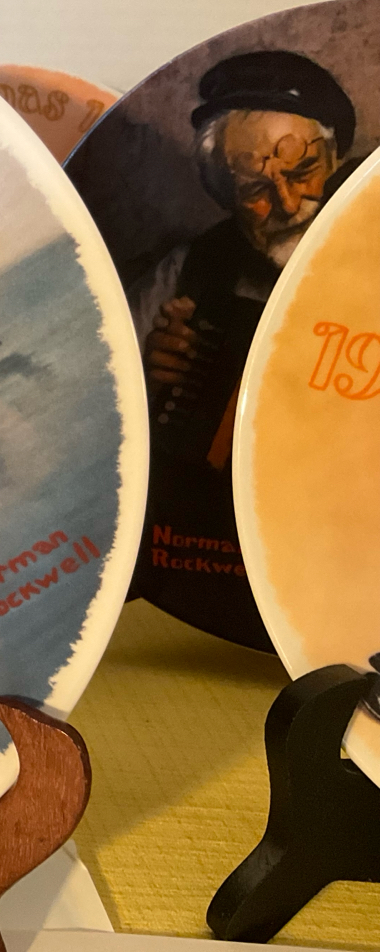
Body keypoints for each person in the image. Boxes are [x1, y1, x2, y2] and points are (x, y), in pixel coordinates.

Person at [123, 51, 366, 648]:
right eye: (256, 187)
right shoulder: (186, 270)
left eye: (303, 170)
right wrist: (148, 379)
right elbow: (92, 415)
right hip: (209, 572)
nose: (287, 202)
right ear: (223, 192)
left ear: (335, 160)